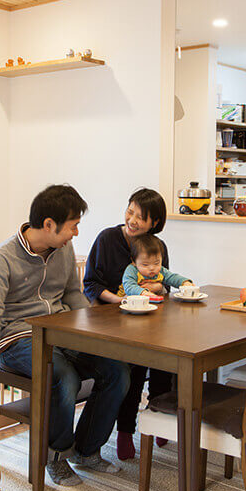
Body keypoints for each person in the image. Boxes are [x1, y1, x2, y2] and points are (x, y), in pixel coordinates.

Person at [0, 185, 129, 487]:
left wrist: (94, 332)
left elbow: (73, 294)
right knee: (64, 377)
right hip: (18, 339)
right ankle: (56, 456)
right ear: (48, 224)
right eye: (73, 226)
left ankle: (86, 450)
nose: (76, 233)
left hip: (61, 333)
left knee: (117, 371)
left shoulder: (64, 249)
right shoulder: (3, 257)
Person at [82, 187, 175, 460]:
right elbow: (90, 283)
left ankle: (160, 417)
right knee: (135, 367)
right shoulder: (107, 239)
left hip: (148, 321)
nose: (132, 220)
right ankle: (125, 431)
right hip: (112, 323)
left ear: (154, 222)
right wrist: (120, 300)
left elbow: (165, 283)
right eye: (130, 212)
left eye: (141, 217)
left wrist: (156, 287)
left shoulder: (157, 246)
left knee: (166, 361)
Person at [120, 233, 196, 301]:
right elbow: (129, 286)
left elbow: (172, 277)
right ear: (134, 262)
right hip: (133, 304)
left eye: (156, 263)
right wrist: (144, 293)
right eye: (145, 264)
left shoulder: (161, 271)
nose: (152, 268)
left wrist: (185, 283)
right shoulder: (132, 270)